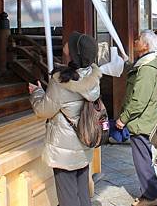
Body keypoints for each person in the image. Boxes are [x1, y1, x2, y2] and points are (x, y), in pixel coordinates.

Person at [28, 31, 101, 206]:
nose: (66, 42)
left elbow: (43, 110)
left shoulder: (62, 81)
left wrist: (36, 92)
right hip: (84, 140)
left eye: (70, 42)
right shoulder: (93, 76)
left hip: (64, 147)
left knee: (67, 195)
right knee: (83, 192)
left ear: (75, 53)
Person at [116, 30, 157, 206]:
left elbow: (139, 100)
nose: (135, 42)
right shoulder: (145, 63)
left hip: (141, 122)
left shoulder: (147, 67)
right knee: (143, 159)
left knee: (142, 161)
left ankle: (151, 197)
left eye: (138, 40)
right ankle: (154, 193)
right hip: (143, 120)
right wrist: (125, 61)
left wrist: (123, 118)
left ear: (145, 45)